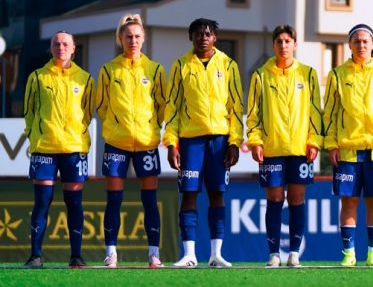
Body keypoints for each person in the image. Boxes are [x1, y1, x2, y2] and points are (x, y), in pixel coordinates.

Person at [163, 18, 243, 267]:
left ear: (215, 38)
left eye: (208, 34)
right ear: (191, 37)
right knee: (188, 194)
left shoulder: (229, 65)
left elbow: (236, 106)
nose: (203, 37)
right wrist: (171, 143)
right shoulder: (180, 66)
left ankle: (216, 254)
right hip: (190, 141)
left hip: (219, 140)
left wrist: (234, 142)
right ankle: (189, 254)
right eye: (197, 34)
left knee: (217, 194)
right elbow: (172, 108)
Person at [323, 23, 373, 268]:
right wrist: (331, 143)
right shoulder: (338, 74)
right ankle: (348, 254)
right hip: (348, 149)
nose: (361, 45)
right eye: (356, 41)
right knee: (348, 202)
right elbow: (331, 114)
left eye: (365, 41)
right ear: (350, 45)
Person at [246, 25, 323, 268]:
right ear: (273, 45)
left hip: (300, 148)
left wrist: (314, 141)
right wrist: (256, 141)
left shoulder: (308, 74)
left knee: (298, 198)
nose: (283, 45)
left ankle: (294, 253)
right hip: (272, 148)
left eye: (287, 41)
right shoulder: (261, 75)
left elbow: (315, 113)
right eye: (279, 41)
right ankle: (273, 253)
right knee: (275, 198)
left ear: (295, 44)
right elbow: (253, 114)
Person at [95, 15, 168, 268]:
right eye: (128, 36)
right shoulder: (108, 70)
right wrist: (116, 127)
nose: (133, 41)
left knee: (149, 200)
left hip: (147, 143)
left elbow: (162, 106)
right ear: (120, 39)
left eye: (137, 36)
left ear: (144, 38)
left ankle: (153, 254)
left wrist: (151, 128)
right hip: (117, 144)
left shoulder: (156, 70)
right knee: (114, 199)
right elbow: (102, 107)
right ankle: (111, 253)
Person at [23, 31, 94, 268]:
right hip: (45, 148)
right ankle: (35, 255)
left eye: (65, 43)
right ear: (51, 48)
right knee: (42, 202)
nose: (60, 47)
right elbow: (29, 111)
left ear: (74, 48)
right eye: (56, 43)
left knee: (74, 203)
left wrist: (80, 135)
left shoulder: (85, 78)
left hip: (74, 148)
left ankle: (76, 256)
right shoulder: (37, 77)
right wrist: (35, 137)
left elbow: (88, 112)